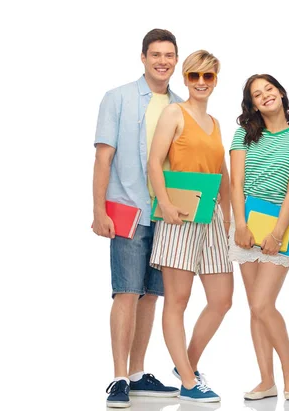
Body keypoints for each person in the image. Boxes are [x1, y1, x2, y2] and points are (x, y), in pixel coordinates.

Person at [92, 29, 182, 408]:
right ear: (143, 57)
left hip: (166, 215)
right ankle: (117, 378)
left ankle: (137, 373)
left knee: (151, 296)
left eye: (170, 55)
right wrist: (98, 210)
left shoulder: (180, 105)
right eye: (156, 54)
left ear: (176, 60)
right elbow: (102, 158)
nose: (163, 61)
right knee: (126, 291)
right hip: (128, 209)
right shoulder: (118, 99)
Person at [148, 50, 233, 403]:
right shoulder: (174, 112)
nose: (201, 82)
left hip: (211, 215)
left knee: (222, 300)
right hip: (179, 213)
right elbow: (154, 161)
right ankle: (187, 380)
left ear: (215, 80)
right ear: (185, 78)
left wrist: (229, 217)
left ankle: (187, 366)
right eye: (194, 76)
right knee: (178, 299)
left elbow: (222, 172)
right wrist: (165, 204)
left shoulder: (215, 122)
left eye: (208, 77)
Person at [229, 74, 289, 401]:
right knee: (255, 307)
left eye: (269, 89)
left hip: (281, 226)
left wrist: (277, 231)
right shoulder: (242, 136)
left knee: (264, 303)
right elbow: (236, 184)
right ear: (253, 104)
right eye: (257, 94)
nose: (265, 96)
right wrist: (240, 226)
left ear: (280, 93)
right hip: (246, 224)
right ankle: (266, 380)